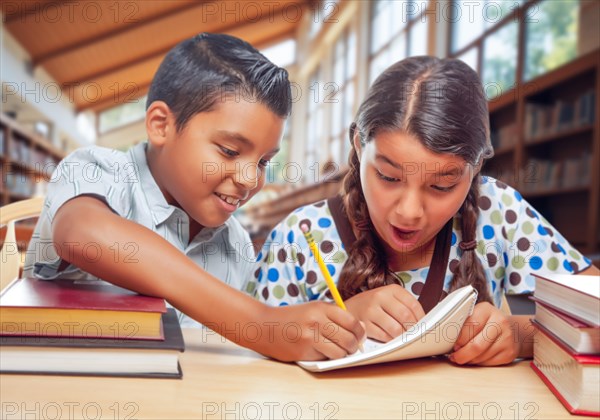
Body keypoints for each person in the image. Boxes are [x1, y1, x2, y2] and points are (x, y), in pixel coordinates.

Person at [22, 33, 364, 362]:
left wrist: (345, 321)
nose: (249, 179)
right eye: (229, 151)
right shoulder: (97, 170)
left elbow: (268, 336)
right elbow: (82, 234)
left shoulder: (236, 243)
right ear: (161, 125)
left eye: (263, 162)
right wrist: (261, 325)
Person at [247, 56, 599, 366]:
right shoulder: (298, 236)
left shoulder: (500, 211)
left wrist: (521, 335)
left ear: (476, 167)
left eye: (442, 186)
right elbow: (250, 349)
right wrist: (339, 321)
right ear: (358, 146)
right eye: (388, 176)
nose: (409, 212)